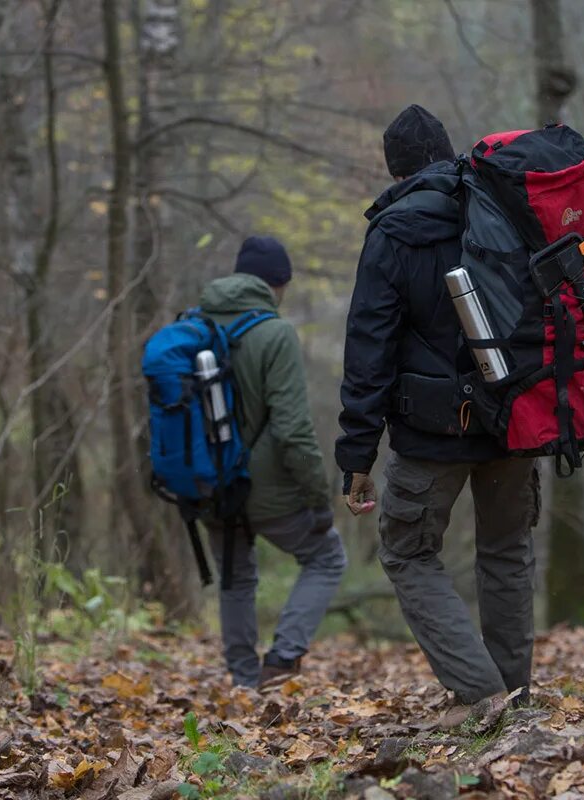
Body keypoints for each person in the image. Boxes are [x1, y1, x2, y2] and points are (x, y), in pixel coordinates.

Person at [336, 105, 539, 723]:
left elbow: (369, 349)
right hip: (513, 416)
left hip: (432, 432)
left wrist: (357, 457)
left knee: (407, 552)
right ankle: (513, 694)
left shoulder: (394, 231)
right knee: (506, 549)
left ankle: (480, 694)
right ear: (448, 153)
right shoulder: (504, 207)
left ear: (394, 170)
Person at [200, 236, 346, 688]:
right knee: (326, 555)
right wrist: (317, 497)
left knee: (236, 575)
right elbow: (292, 430)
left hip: (206, 480)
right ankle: (282, 660)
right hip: (264, 486)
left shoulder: (194, 324)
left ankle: (244, 682)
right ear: (278, 284)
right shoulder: (275, 332)